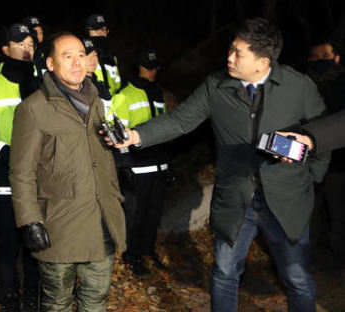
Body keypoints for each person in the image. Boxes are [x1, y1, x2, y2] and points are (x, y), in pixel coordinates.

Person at [107, 18, 329, 312]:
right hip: (235, 198)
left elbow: (322, 133)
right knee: (225, 274)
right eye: (231, 49)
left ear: (263, 62)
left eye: (239, 53)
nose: (229, 57)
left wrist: (312, 177)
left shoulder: (299, 86)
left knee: (297, 277)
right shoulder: (217, 85)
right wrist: (136, 136)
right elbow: (180, 119)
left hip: (286, 200)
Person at [9, 32, 126, 312]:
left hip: (101, 225)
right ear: (50, 63)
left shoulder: (97, 101)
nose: (77, 62)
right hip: (59, 227)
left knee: (96, 301)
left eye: (81, 55)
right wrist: (29, 221)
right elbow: (21, 171)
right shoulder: (33, 109)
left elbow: (101, 157)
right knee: (57, 303)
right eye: (67, 56)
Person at [0, 23, 40, 311]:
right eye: (20, 43)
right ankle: (9, 291)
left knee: (37, 240)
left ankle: (35, 293)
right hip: (4, 176)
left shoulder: (43, 84)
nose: (27, 48)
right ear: (5, 49)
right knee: (8, 238)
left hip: (40, 176)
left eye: (30, 44)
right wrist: (12, 154)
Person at [112, 49, 169, 276]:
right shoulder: (124, 96)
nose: (153, 71)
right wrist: (124, 165)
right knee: (135, 215)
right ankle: (131, 255)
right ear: (139, 68)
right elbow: (118, 136)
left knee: (153, 214)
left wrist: (168, 163)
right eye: (148, 67)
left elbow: (164, 130)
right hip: (137, 167)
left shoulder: (158, 93)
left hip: (158, 165)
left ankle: (147, 250)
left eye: (155, 67)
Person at [306, 40, 345, 280]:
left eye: (327, 55)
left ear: (337, 57)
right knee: (310, 215)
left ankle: (340, 262)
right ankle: (305, 263)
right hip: (309, 160)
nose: (323, 60)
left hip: (339, 164)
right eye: (317, 57)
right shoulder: (303, 86)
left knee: (339, 215)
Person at [86, 13, 121, 95]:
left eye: (104, 29)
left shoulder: (111, 56)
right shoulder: (82, 54)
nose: (101, 33)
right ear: (88, 31)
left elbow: (117, 84)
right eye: (96, 30)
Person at [83, 37, 112, 117]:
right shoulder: (77, 88)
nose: (93, 59)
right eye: (87, 55)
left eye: (95, 55)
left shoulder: (98, 84)